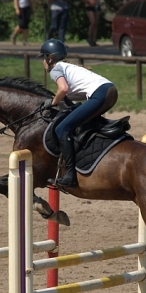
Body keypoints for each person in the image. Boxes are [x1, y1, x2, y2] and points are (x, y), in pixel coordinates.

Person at [39, 39, 118, 188]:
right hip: (110, 91)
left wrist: (53, 103)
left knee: (61, 129)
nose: (42, 62)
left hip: (100, 94)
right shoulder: (68, 67)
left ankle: (70, 176)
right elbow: (72, 94)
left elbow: (63, 89)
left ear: (50, 58)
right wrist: (60, 98)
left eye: (43, 57)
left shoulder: (56, 69)